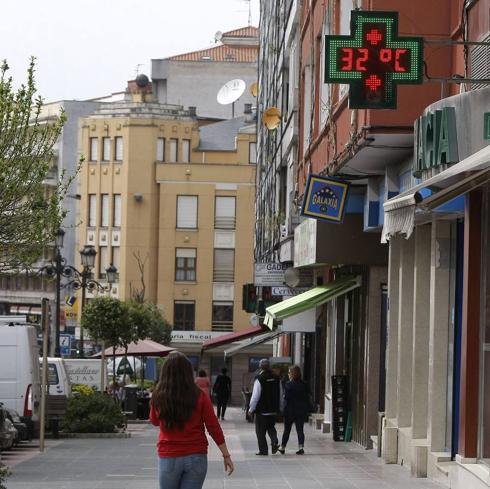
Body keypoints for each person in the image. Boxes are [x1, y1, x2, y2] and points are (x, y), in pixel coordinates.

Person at [150, 352, 234, 489]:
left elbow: (154, 421)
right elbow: (213, 427)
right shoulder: (200, 395)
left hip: (169, 455)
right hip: (196, 455)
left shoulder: (158, 395)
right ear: (188, 372)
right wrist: (226, 455)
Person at [247, 358, 282, 456]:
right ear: (269, 366)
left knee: (260, 431)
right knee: (271, 426)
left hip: (262, 410)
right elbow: (280, 393)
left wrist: (251, 409)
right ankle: (274, 440)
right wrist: (280, 407)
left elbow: (255, 396)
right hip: (273, 409)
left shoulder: (259, 379)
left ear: (260, 366)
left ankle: (263, 450)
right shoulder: (276, 378)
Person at [278, 365, 310, 455]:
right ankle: (301, 447)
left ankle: (282, 447)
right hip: (301, 410)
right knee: (300, 430)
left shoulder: (288, 384)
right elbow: (307, 396)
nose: (288, 374)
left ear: (292, 374)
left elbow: (286, 397)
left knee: (287, 430)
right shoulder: (304, 384)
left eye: (289, 372)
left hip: (290, 411)